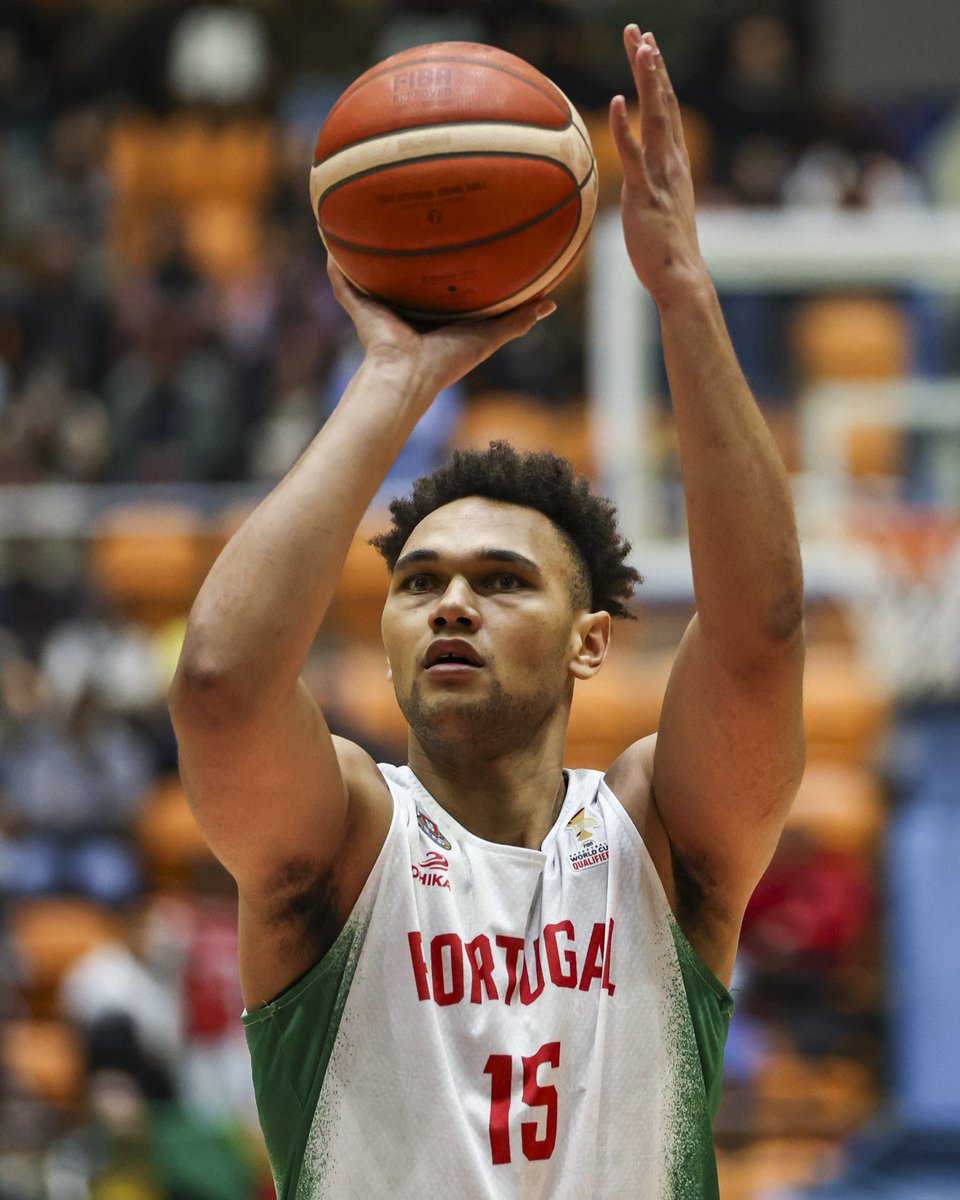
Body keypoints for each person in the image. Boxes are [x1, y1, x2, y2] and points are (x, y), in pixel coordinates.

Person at [169, 25, 805, 1200]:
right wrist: (396, 378)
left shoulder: (659, 841)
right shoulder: (351, 847)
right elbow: (217, 686)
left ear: (590, 641)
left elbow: (761, 638)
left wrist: (683, 297)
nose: (450, 600)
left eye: (502, 580)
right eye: (418, 582)